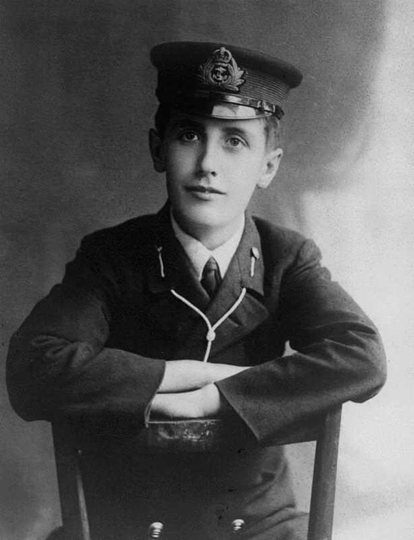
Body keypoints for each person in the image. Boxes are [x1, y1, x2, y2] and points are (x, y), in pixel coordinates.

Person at [7, 41, 387, 540]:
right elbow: (34, 364)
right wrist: (180, 381)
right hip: (129, 527)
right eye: (189, 134)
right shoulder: (111, 258)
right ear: (158, 148)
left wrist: (213, 398)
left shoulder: (286, 258)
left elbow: (362, 356)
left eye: (235, 141)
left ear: (268, 166)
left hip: (258, 527)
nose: (208, 163)